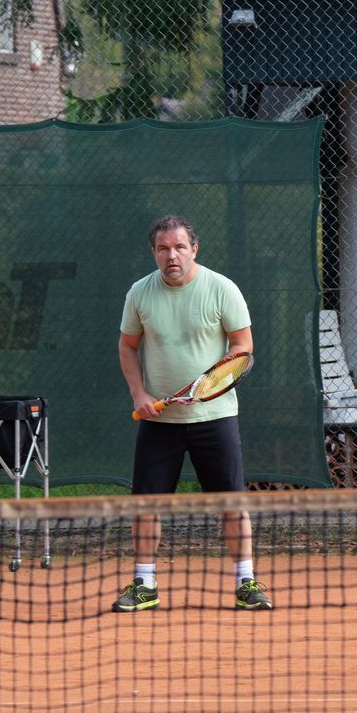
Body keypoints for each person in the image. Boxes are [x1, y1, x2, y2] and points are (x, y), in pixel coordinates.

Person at [115, 215, 271, 611]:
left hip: (215, 418)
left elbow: (243, 346)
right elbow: (127, 345)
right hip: (159, 421)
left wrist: (208, 386)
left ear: (194, 249)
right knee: (146, 505)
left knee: (232, 503)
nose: (172, 256)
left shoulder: (221, 289)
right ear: (154, 252)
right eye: (163, 248)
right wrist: (139, 393)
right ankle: (144, 583)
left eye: (179, 247)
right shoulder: (139, 294)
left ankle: (246, 582)